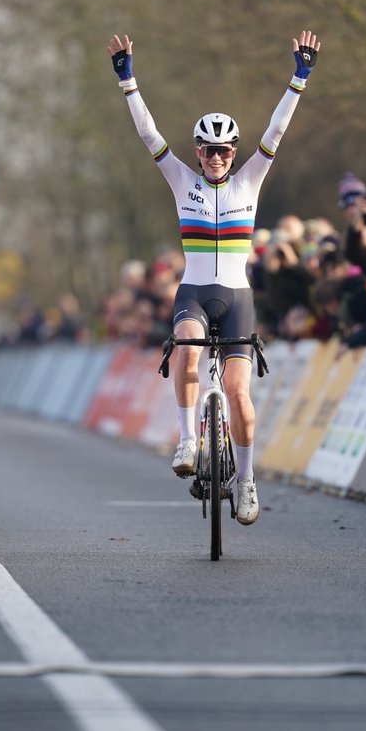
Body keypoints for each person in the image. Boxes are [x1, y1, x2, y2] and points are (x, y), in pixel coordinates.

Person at [108, 29, 320, 525]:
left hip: (238, 297)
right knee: (185, 345)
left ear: (234, 151)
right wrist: (128, 82)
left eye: (226, 150)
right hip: (195, 294)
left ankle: (246, 482)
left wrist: (300, 77)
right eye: (209, 150)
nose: (218, 158)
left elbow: (277, 132)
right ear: (198, 152)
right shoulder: (182, 179)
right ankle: (186, 440)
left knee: (241, 394)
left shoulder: (251, 178)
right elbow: (148, 136)